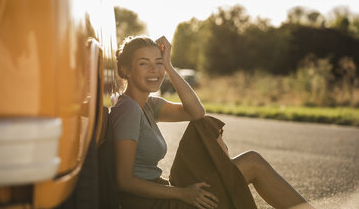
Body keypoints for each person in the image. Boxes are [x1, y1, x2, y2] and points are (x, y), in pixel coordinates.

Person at [110, 35, 315, 209]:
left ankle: (224, 172)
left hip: (164, 194)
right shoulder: (128, 109)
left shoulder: (148, 105)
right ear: (127, 70)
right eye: (144, 64)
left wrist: (170, 68)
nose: (154, 70)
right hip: (152, 203)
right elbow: (124, 181)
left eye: (158, 63)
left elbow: (196, 112)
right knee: (253, 163)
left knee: (204, 123)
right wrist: (182, 193)